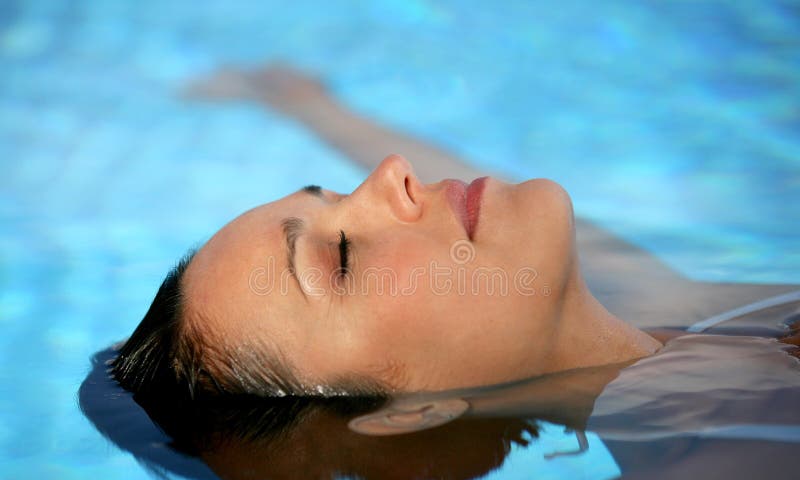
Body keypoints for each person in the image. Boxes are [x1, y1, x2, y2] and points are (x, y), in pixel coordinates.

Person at [112, 64, 799, 403]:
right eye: (342, 258)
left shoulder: (667, 307)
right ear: (405, 415)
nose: (392, 173)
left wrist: (298, 100)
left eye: (336, 193)